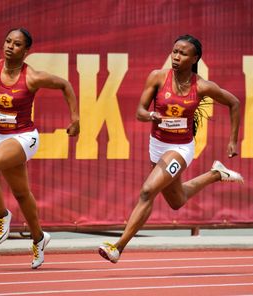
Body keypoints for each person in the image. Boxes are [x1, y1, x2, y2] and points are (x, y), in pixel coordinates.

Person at [98, 34, 243, 263]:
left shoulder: (202, 86)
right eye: (174, 51)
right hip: (157, 145)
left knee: (147, 191)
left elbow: (234, 102)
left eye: (183, 53)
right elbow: (139, 111)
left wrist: (233, 140)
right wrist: (151, 115)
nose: (176, 57)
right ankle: (216, 174)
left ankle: (118, 246)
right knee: (177, 200)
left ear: (194, 58)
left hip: (181, 147)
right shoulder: (157, 77)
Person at [0, 28, 80, 269]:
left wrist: (75, 118)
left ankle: (2, 214)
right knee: (22, 194)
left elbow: (65, 85)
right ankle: (39, 239)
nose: (10, 46)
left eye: (16, 44)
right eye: (7, 41)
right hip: (0, 138)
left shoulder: (32, 77)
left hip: (25, 138)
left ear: (26, 51)